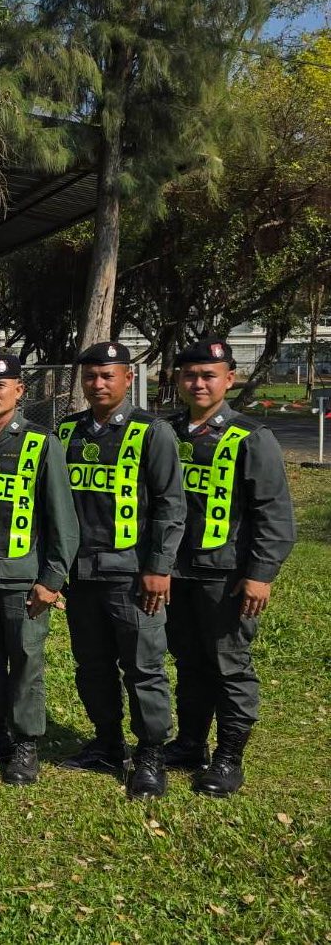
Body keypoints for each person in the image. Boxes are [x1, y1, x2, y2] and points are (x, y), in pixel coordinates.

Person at [165, 337, 295, 796]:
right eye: (190, 375)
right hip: (174, 573)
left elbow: (274, 514)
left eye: (208, 376)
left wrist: (261, 574)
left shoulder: (250, 437)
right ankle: (189, 744)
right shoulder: (168, 431)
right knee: (189, 661)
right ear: (177, 379)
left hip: (226, 575)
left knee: (229, 665)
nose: (198, 383)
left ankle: (229, 756)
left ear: (228, 380)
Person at [57, 342, 185, 799]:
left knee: (143, 665)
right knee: (91, 664)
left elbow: (171, 504)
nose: (98, 384)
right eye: (90, 376)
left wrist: (159, 566)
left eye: (107, 375)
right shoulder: (68, 431)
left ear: (128, 379)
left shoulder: (152, 432)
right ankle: (107, 742)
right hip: (82, 574)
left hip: (133, 575)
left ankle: (150, 753)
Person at [0, 352, 78, 785]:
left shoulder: (42, 443)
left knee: (25, 659)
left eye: (1, 386)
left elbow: (62, 516)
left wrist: (52, 578)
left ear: (19, 391)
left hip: (22, 577)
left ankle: (25, 743)